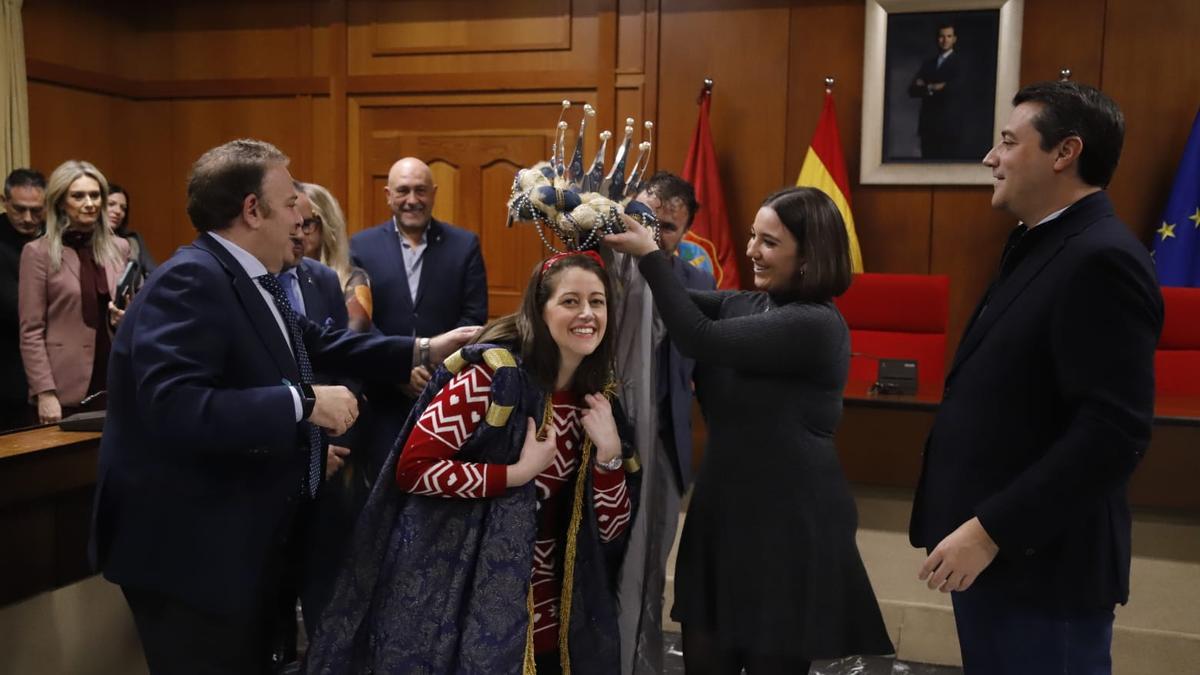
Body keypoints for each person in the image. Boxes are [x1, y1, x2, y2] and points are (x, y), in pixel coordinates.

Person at [89, 138, 478, 674]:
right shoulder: (190, 279)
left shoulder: (246, 278)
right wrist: (305, 402)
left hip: (233, 546)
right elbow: (175, 407)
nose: (303, 213)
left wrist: (424, 348)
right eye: (292, 199)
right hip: (188, 552)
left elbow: (316, 342)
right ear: (253, 209)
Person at [909, 81, 1163, 674]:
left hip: (1043, 571)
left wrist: (991, 530)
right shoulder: (1038, 242)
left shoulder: (1102, 258)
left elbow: (1112, 433)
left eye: (1006, 142)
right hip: (1002, 569)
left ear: (1064, 152)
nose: (990, 158)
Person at [305, 251, 639, 675]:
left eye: (597, 301)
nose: (587, 314)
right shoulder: (490, 378)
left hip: (557, 619)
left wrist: (609, 456)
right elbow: (414, 468)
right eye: (570, 301)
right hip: (463, 604)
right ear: (540, 309)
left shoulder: (600, 403)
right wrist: (516, 474)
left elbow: (608, 532)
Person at [605, 187, 893, 674]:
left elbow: (699, 336)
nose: (752, 251)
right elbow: (667, 300)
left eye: (770, 242)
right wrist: (602, 248)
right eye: (752, 237)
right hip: (724, 510)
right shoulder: (749, 304)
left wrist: (651, 255)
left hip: (786, 524)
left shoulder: (815, 324)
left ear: (809, 254)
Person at [611, 171, 715, 675]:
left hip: (665, 444)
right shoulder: (602, 266)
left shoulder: (698, 281)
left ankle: (643, 662)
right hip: (602, 436)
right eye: (645, 219)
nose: (652, 234)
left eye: (668, 228)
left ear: (685, 233)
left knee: (653, 561)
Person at [350, 156, 489, 478]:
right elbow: (360, 321)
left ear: (434, 192)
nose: (412, 200)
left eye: (420, 190)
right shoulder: (360, 246)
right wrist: (399, 367)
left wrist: (434, 370)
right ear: (388, 194)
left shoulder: (464, 244)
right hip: (382, 396)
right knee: (382, 485)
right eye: (403, 191)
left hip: (446, 395)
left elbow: (473, 315)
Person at [19, 160, 130, 424]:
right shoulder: (38, 253)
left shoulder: (120, 247)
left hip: (116, 375)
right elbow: (31, 330)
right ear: (60, 202)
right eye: (78, 196)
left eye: (95, 195)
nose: (89, 203)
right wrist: (45, 392)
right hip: (65, 383)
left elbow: (129, 307)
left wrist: (126, 317)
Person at [0, 168, 46, 429]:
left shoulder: (55, 236)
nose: (28, 219)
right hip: (7, 367)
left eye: (36, 210)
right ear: (4, 202)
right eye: (19, 209)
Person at [298, 181, 373, 332]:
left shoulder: (353, 279)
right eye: (295, 224)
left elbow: (353, 338)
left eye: (306, 224)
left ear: (327, 224)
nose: (298, 233)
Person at [908, 23, 966, 160]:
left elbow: (956, 88)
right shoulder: (928, 63)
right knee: (927, 167)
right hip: (928, 125)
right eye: (941, 36)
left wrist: (926, 86)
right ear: (937, 39)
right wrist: (933, 87)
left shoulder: (960, 63)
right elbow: (912, 90)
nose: (945, 40)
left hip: (949, 126)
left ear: (954, 39)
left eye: (949, 36)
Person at [105, 184, 158, 279]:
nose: (118, 211)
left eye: (123, 208)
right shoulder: (85, 242)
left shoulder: (133, 240)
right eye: (111, 204)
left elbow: (154, 273)